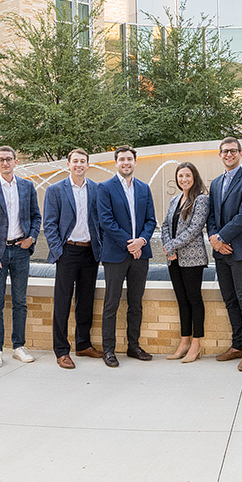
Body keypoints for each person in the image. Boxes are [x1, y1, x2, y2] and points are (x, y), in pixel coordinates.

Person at [0, 146, 39, 368]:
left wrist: (31, 238)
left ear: (16, 161)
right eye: (1, 160)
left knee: (20, 302)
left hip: (21, 250)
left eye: (8, 159)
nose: (5, 163)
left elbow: (35, 216)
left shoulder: (27, 186)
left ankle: (18, 346)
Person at [95, 146, 158, 367]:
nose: (126, 162)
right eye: (122, 159)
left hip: (141, 254)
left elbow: (151, 220)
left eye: (129, 159)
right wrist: (129, 243)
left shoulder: (144, 188)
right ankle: (109, 350)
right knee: (111, 303)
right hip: (116, 254)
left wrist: (142, 240)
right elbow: (106, 221)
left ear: (135, 162)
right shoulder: (105, 188)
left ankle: (134, 346)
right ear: (116, 163)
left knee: (135, 303)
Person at [207, 137, 242, 372]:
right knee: (230, 300)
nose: (229, 154)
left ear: (240, 153)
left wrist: (221, 238)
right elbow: (211, 215)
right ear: (219, 155)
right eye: (225, 151)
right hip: (221, 252)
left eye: (233, 151)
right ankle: (238, 345)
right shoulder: (215, 183)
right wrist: (213, 238)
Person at [43, 149, 104, 370]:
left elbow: (102, 221)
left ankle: (83, 344)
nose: (79, 164)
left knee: (86, 301)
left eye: (83, 161)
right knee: (62, 302)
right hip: (67, 252)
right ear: (68, 164)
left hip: (90, 252)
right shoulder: (55, 190)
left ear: (88, 165)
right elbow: (49, 224)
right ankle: (61, 351)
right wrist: (58, 251)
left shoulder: (97, 189)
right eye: (75, 161)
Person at [161, 162, 210, 363]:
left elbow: (195, 228)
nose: (184, 179)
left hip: (192, 259)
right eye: (180, 176)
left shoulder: (201, 200)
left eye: (188, 176)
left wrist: (172, 245)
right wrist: (168, 247)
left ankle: (196, 344)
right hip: (174, 259)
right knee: (182, 301)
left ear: (194, 177)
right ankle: (184, 342)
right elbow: (164, 225)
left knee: (194, 299)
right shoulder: (175, 199)